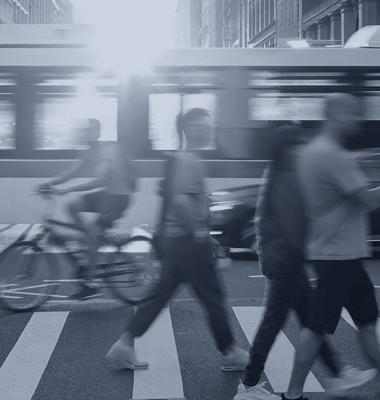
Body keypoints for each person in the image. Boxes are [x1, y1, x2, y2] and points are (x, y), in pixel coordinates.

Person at [283, 93, 380, 400]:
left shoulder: (314, 152)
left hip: (342, 253)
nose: (358, 119)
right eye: (352, 113)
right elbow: (369, 200)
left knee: (367, 322)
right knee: (315, 329)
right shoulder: (331, 154)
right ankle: (293, 394)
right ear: (336, 115)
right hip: (336, 254)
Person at [235, 126, 375, 400]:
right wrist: (315, 253)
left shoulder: (280, 172)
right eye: (295, 145)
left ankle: (337, 373)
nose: (301, 149)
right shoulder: (286, 176)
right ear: (285, 149)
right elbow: (293, 225)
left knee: (311, 321)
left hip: (284, 258)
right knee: (274, 322)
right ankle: (249, 385)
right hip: (285, 260)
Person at [107, 107, 249, 372]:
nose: (207, 130)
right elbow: (182, 201)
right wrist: (198, 233)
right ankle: (230, 352)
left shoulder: (182, 158)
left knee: (160, 296)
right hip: (188, 242)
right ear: (189, 130)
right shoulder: (190, 160)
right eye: (201, 126)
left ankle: (124, 345)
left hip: (177, 241)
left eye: (209, 125)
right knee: (213, 298)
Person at [37, 118, 134, 299]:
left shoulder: (108, 151)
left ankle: (92, 283)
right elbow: (72, 172)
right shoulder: (90, 152)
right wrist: (49, 184)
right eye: (85, 131)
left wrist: (68, 189)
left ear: (98, 132)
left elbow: (100, 181)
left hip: (119, 198)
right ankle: (91, 237)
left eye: (90, 130)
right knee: (72, 206)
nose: (86, 134)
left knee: (92, 235)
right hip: (107, 195)